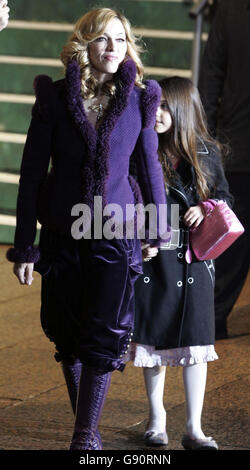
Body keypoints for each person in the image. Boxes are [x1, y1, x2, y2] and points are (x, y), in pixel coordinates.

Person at [6, 8, 168, 450]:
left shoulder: (140, 98)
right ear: (85, 45)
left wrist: (157, 229)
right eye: (102, 39)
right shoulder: (54, 99)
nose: (112, 48)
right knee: (66, 333)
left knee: (104, 332)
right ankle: (85, 424)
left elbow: (148, 166)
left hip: (116, 232)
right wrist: (24, 248)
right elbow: (32, 175)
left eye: (120, 39)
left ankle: (85, 434)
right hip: (62, 233)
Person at [127, 77, 233, 450]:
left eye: (164, 107)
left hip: (194, 263)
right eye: (151, 106)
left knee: (195, 344)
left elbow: (224, 199)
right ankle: (157, 420)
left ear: (182, 110)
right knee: (152, 342)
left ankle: (194, 427)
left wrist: (204, 209)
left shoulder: (205, 152)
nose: (155, 114)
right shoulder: (143, 149)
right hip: (154, 259)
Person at [198, 0, 250, 339]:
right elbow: (211, 78)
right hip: (238, 145)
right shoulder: (230, 9)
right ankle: (211, 318)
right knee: (231, 242)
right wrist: (207, 143)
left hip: (236, 141)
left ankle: (212, 318)